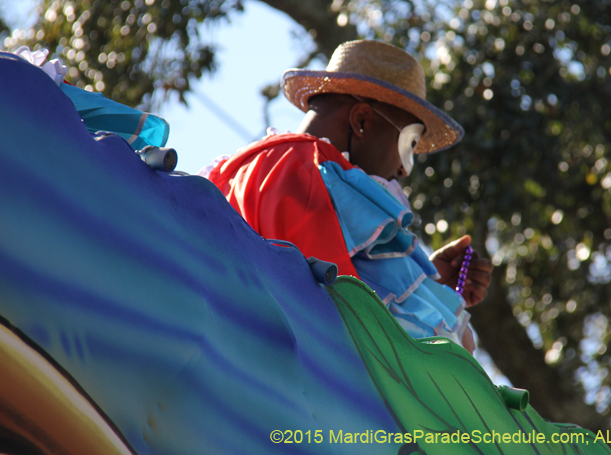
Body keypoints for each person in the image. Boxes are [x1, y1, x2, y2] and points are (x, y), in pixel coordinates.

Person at [203, 39, 493, 352]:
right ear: (361, 121)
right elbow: (342, 325)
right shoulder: (307, 169)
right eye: (409, 145)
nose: (404, 170)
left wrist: (425, 285)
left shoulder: (237, 170)